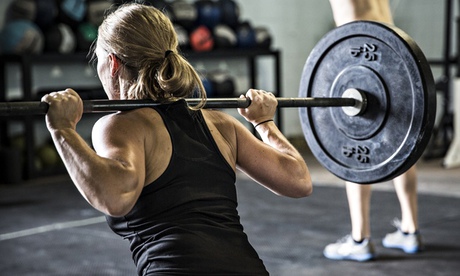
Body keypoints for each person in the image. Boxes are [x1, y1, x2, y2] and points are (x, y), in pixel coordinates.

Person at [41, 3, 312, 275]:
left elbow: (117, 197)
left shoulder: (120, 125)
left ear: (112, 64)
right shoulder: (220, 124)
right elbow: (298, 180)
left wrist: (62, 129)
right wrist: (264, 122)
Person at [323, 0, 423, 262]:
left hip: (359, 60)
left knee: (356, 147)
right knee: (401, 143)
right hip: (391, 56)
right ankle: (410, 229)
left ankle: (360, 238)